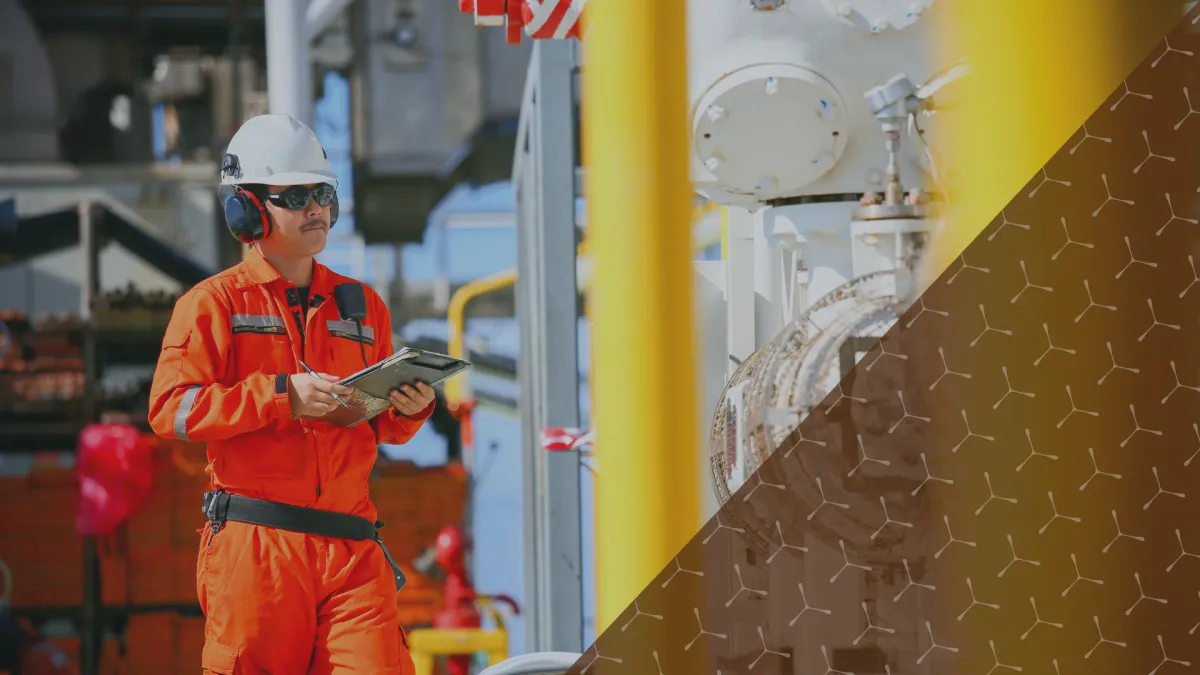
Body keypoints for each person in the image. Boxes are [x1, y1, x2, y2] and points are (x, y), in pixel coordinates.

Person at [147, 113, 435, 675]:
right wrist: (282, 396)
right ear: (248, 208)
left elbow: (379, 426)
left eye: (324, 193)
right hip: (257, 551)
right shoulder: (214, 305)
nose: (317, 209)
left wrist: (410, 407)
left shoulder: (363, 305)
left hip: (353, 550)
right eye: (297, 195)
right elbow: (169, 410)